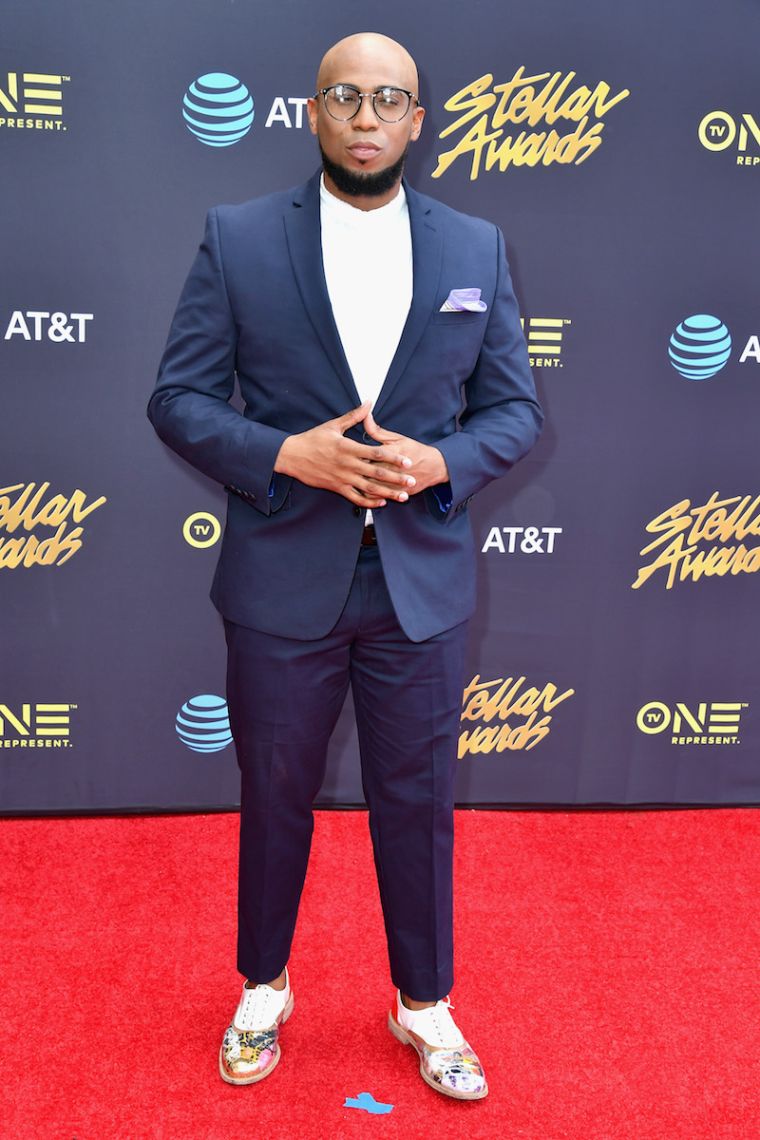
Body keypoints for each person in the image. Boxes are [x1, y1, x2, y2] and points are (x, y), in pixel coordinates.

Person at [148, 31, 542, 1101]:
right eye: (346, 97)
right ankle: (262, 989)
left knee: (418, 800)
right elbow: (176, 399)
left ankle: (424, 1004)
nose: (367, 117)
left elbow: (513, 411)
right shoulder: (237, 238)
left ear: (418, 119)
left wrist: (442, 462)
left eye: (388, 99)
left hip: (420, 582)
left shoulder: (476, 247)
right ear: (312, 111)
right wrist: (287, 453)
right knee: (274, 790)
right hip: (283, 579)